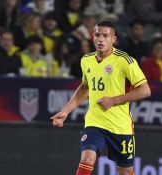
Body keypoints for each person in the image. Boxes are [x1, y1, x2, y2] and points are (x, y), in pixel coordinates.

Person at [50, 21, 151, 175]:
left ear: (114, 39)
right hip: (95, 122)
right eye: (97, 35)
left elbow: (145, 90)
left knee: (125, 171)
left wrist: (113, 100)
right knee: (87, 159)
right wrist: (65, 111)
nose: (100, 39)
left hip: (120, 126)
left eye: (105, 36)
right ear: (92, 37)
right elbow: (85, 87)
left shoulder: (124, 61)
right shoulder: (86, 60)